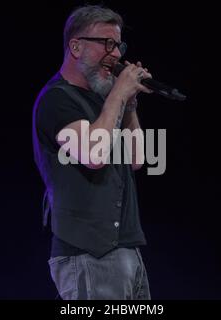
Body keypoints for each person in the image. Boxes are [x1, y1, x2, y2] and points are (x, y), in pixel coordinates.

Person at [32, 5, 152, 300]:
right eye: (107, 44)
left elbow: (137, 160)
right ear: (75, 46)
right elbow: (94, 155)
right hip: (88, 256)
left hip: (127, 253)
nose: (116, 54)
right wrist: (118, 95)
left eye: (118, 45)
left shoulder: (105, 103)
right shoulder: (56, 100)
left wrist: (130, 105)